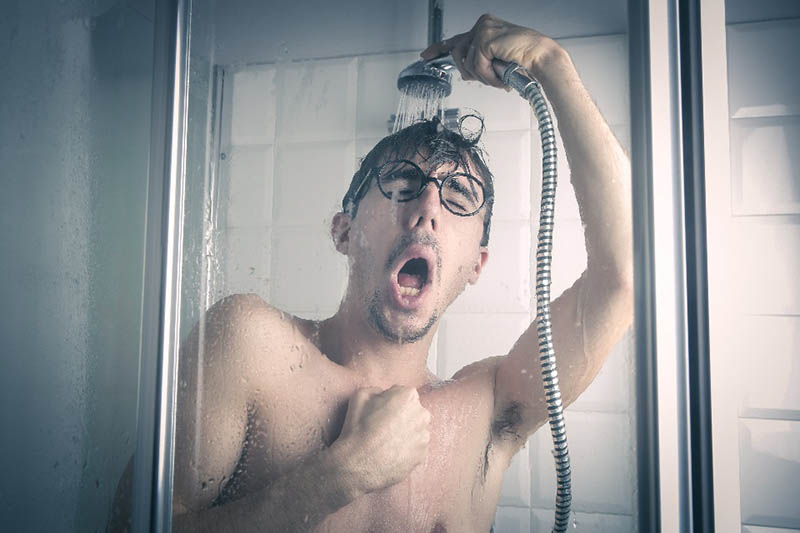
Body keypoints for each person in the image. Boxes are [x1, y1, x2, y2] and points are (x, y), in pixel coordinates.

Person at [111, 13, 633, 533]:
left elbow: (623, 276)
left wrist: (551, 64)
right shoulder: (250, 346)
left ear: (476, 265)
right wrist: (336, 478)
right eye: (403, 184)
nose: (427, 207)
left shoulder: (488, 407)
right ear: (344, 232)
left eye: (458, 197)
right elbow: (126, 527)